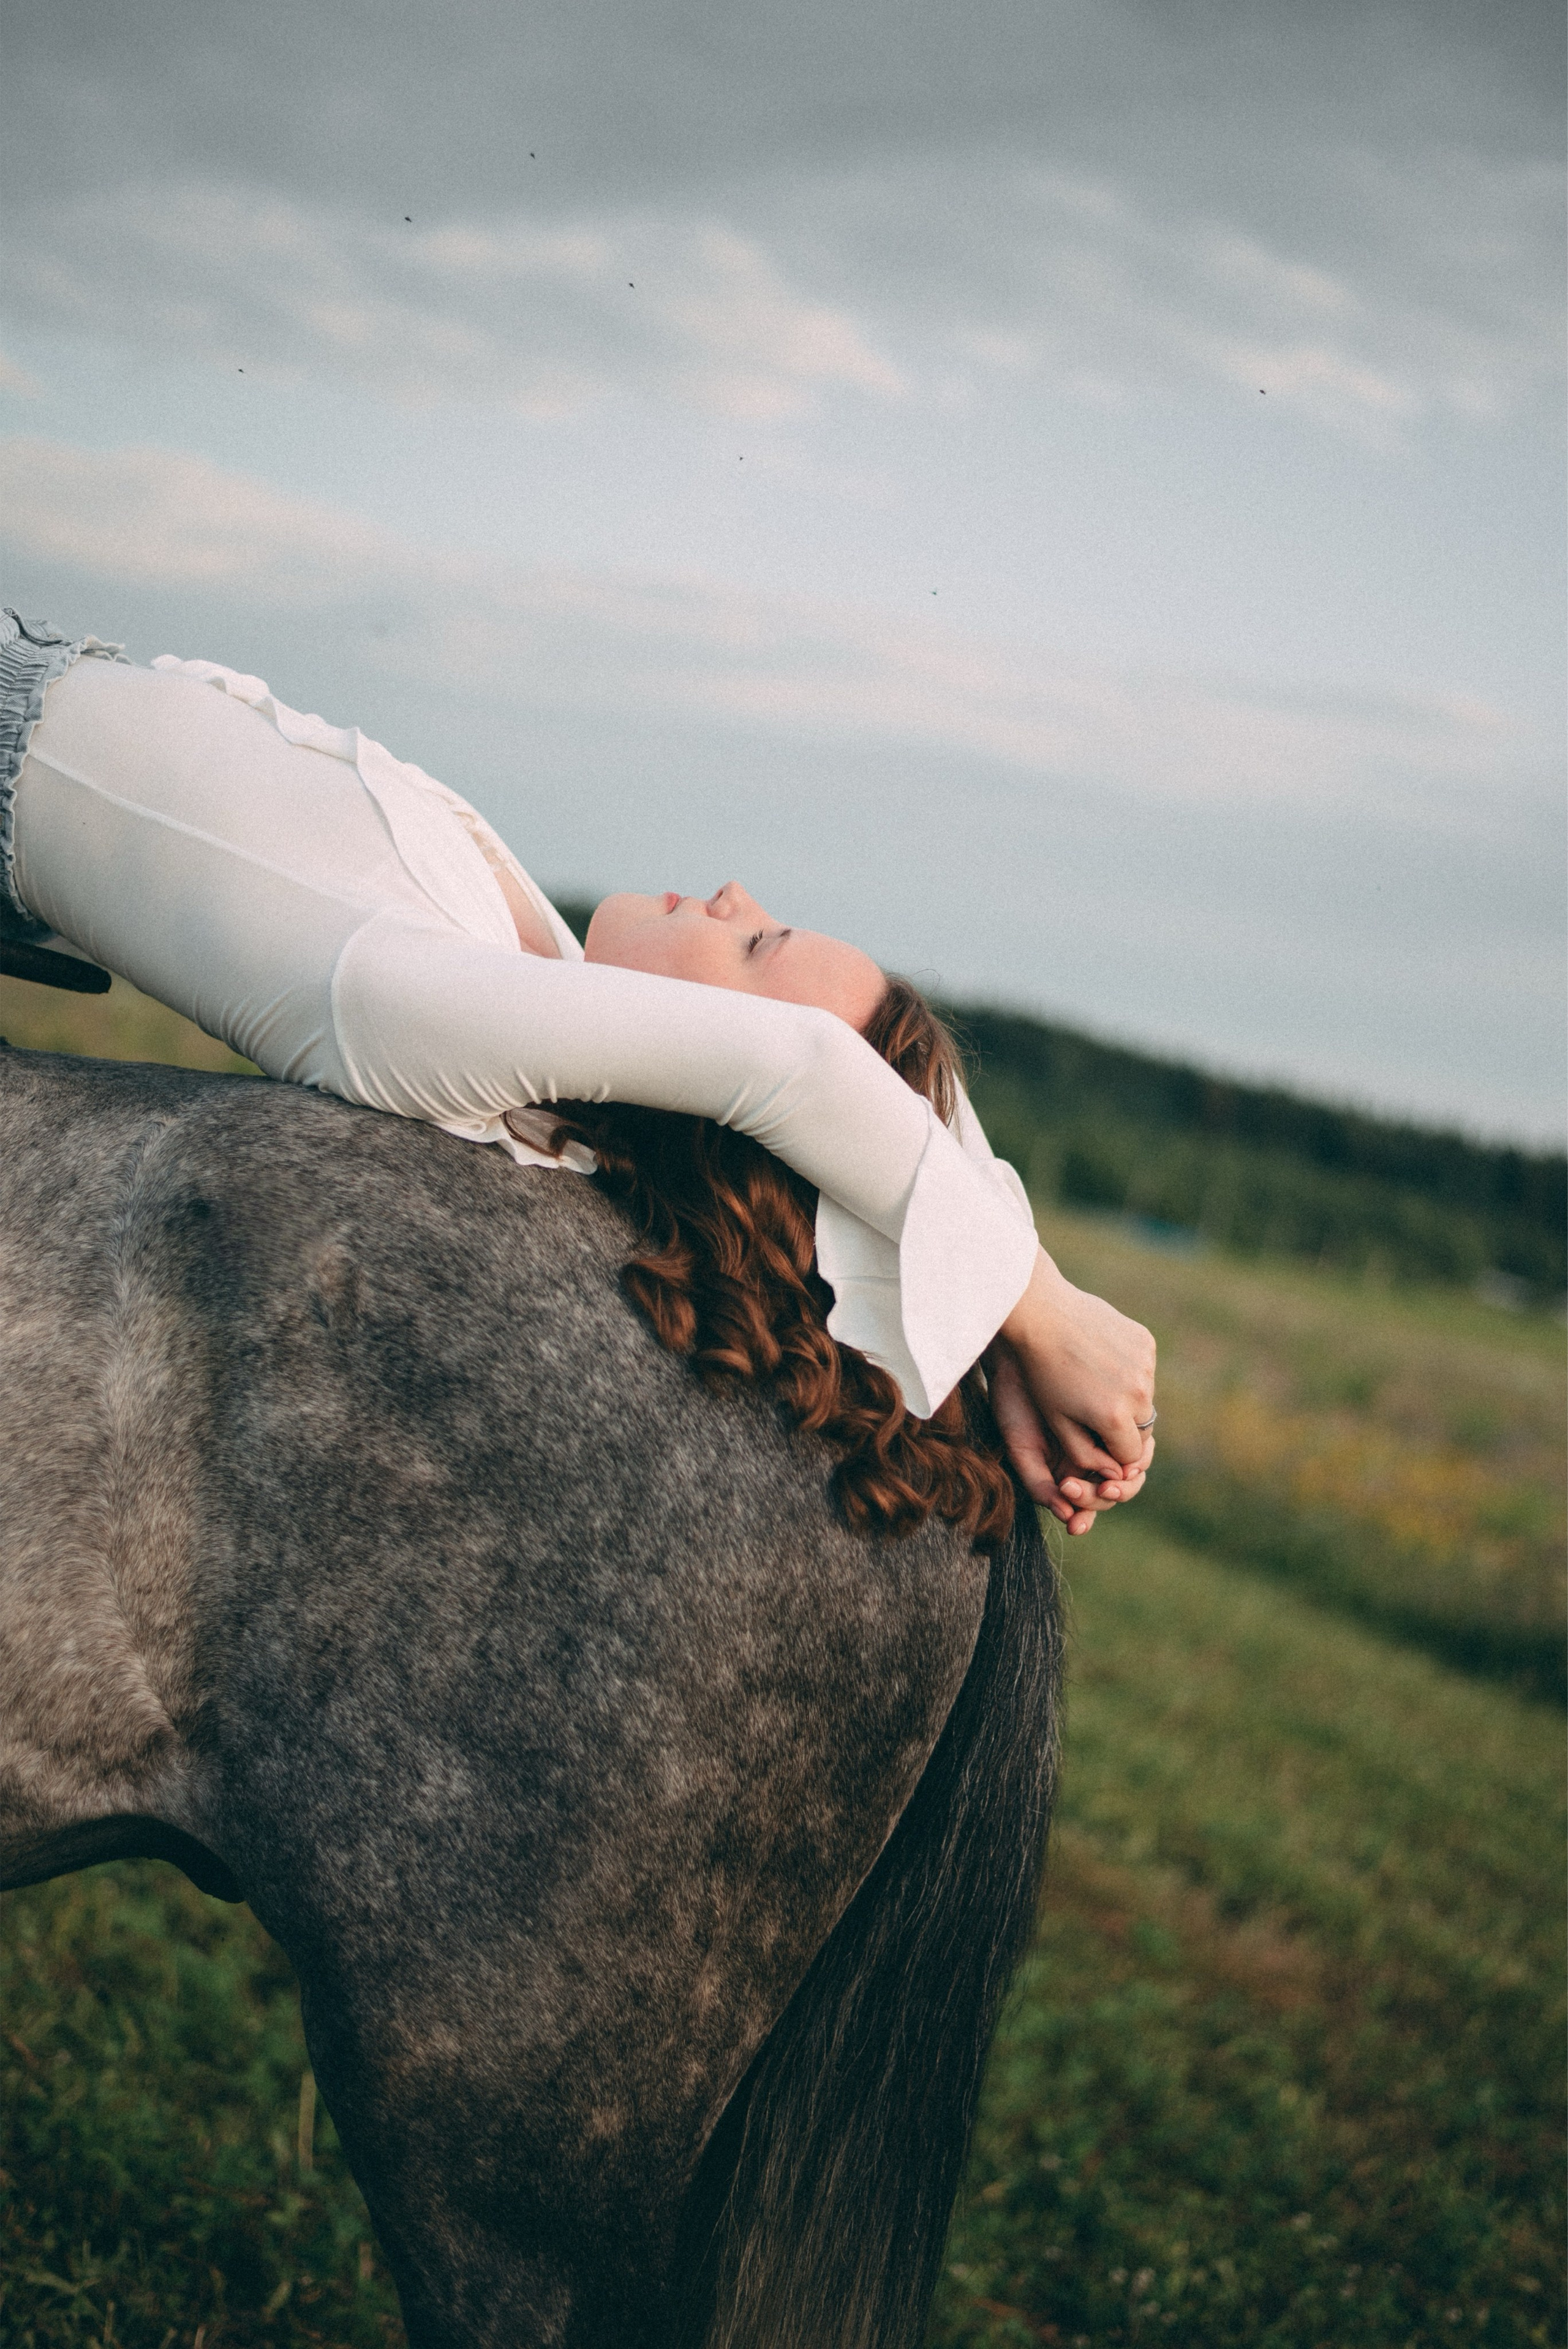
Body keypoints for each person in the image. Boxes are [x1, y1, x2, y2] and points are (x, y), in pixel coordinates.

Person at [0, 608, 1155, 1539]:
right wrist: (1003, 1322)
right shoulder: (526, 964)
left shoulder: (442, 1015)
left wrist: (1050, 1314)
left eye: (758, 944)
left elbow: (807, 1069)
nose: (734, 896)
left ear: (699, 1056)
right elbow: (881, 1108)